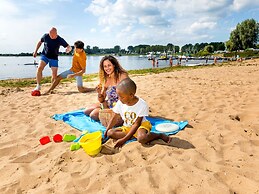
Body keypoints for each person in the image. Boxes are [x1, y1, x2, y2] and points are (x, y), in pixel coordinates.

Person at [105, 78, 172, 148]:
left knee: (142, 138)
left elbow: (137, 124)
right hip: (127, 127)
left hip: (140, 127)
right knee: (110, 133)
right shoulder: (120, 103)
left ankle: (159, 135)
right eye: (118, 96)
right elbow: (114, 117)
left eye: (121, 97)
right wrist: (107, 130)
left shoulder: (142, 104)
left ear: (131, 96)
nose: (119, 99)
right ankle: (132, 136)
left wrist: (123, 140)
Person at [84, 55, 128, 121]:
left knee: (93, 115)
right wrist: (99, 94)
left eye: (109, 65)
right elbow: (102, 100)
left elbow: (128, 94)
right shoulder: (106, 78)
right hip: (109, 103)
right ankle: (105, 112)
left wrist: (112, 109)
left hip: (121, 105)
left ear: (114, 65)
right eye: (105, 66)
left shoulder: (122, 76)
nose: (107, 68)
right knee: (86, 111)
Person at [33, 27, 72, 91]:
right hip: (44, 55)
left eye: (52, 35)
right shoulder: (45, 36)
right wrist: (35, 51)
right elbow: (40, 42)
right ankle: (38, 86)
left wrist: (68, 50)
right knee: (39, 68)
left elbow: (69, 47)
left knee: (54, 74)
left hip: (54, 57)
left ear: (56, 33)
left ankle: (51, 89)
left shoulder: (60, 39)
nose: (51, 36)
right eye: (50, 34)